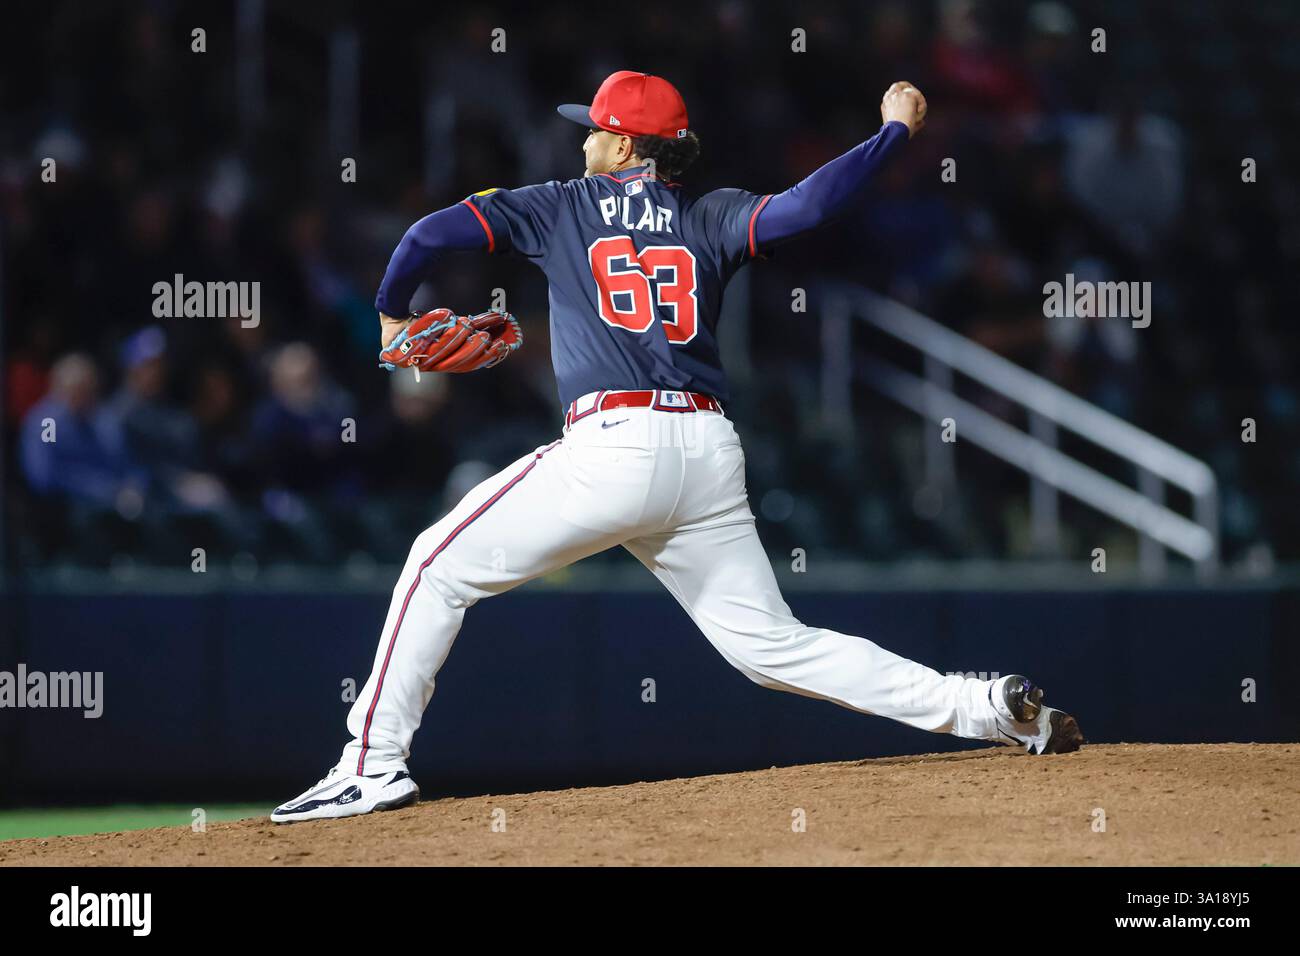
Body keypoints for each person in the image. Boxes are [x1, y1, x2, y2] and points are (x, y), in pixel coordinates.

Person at [272, 72, 1083, 823]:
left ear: (625, 144)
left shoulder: (561, 203)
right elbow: (808, 207)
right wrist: (893, 133)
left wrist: (387, 311)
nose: (584, 139)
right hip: (706, 452)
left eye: (594, 129)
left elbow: (427, 233)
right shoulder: (712, 213)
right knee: (773, 646)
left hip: (614, 445)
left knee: (433, 565)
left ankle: (371, 764)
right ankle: (980, 709)